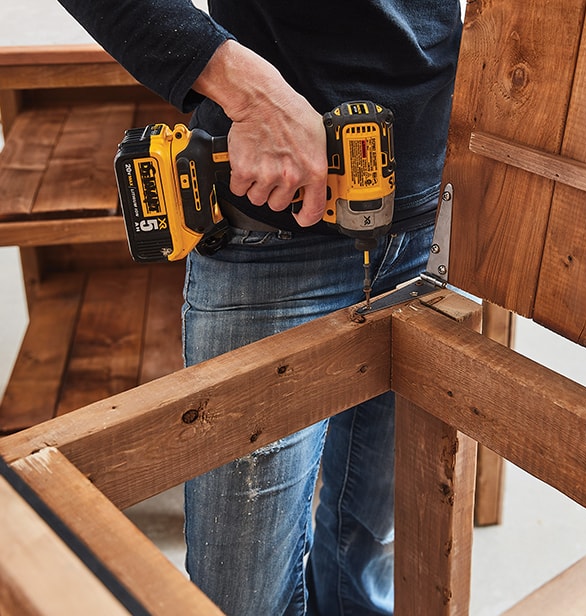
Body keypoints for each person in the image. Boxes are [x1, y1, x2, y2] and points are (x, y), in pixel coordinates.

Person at [58, 1, 462, 614]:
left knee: (374, 551)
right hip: (268, 233)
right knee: (239, 596)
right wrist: (250, 93)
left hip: (428, 212)